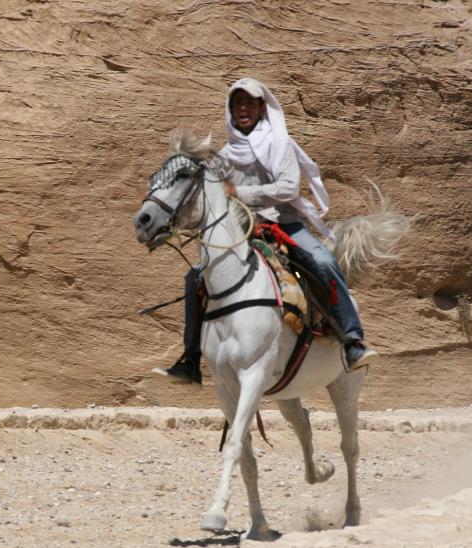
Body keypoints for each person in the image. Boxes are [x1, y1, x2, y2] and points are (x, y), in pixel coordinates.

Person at [158, 77, 377, 384]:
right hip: (246, 229)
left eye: (249, 103)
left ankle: (352, 341)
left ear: (262, 107)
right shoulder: (225, 155)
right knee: (195, 275)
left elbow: (288, 188)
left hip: (285, 223)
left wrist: (239, 193)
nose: (243, 108)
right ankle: (191, 357)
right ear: (231, 109)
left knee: (324, 262)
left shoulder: (280, 144)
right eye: (238, 103)